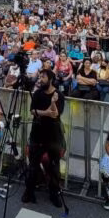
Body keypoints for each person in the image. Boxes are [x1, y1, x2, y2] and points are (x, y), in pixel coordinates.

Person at [23, 69, 65, 207]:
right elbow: (32, 111)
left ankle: (54, 193)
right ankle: (29, 191)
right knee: (33, 165)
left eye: (43, 77)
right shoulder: (37, 93)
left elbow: (55, 114)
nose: (40, 79)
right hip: (37, 134)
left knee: (54, 166)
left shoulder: (58, 94)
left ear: (51, 79)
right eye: (40, 76)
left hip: (53, 135)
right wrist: (45, 112)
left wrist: (52, 103)